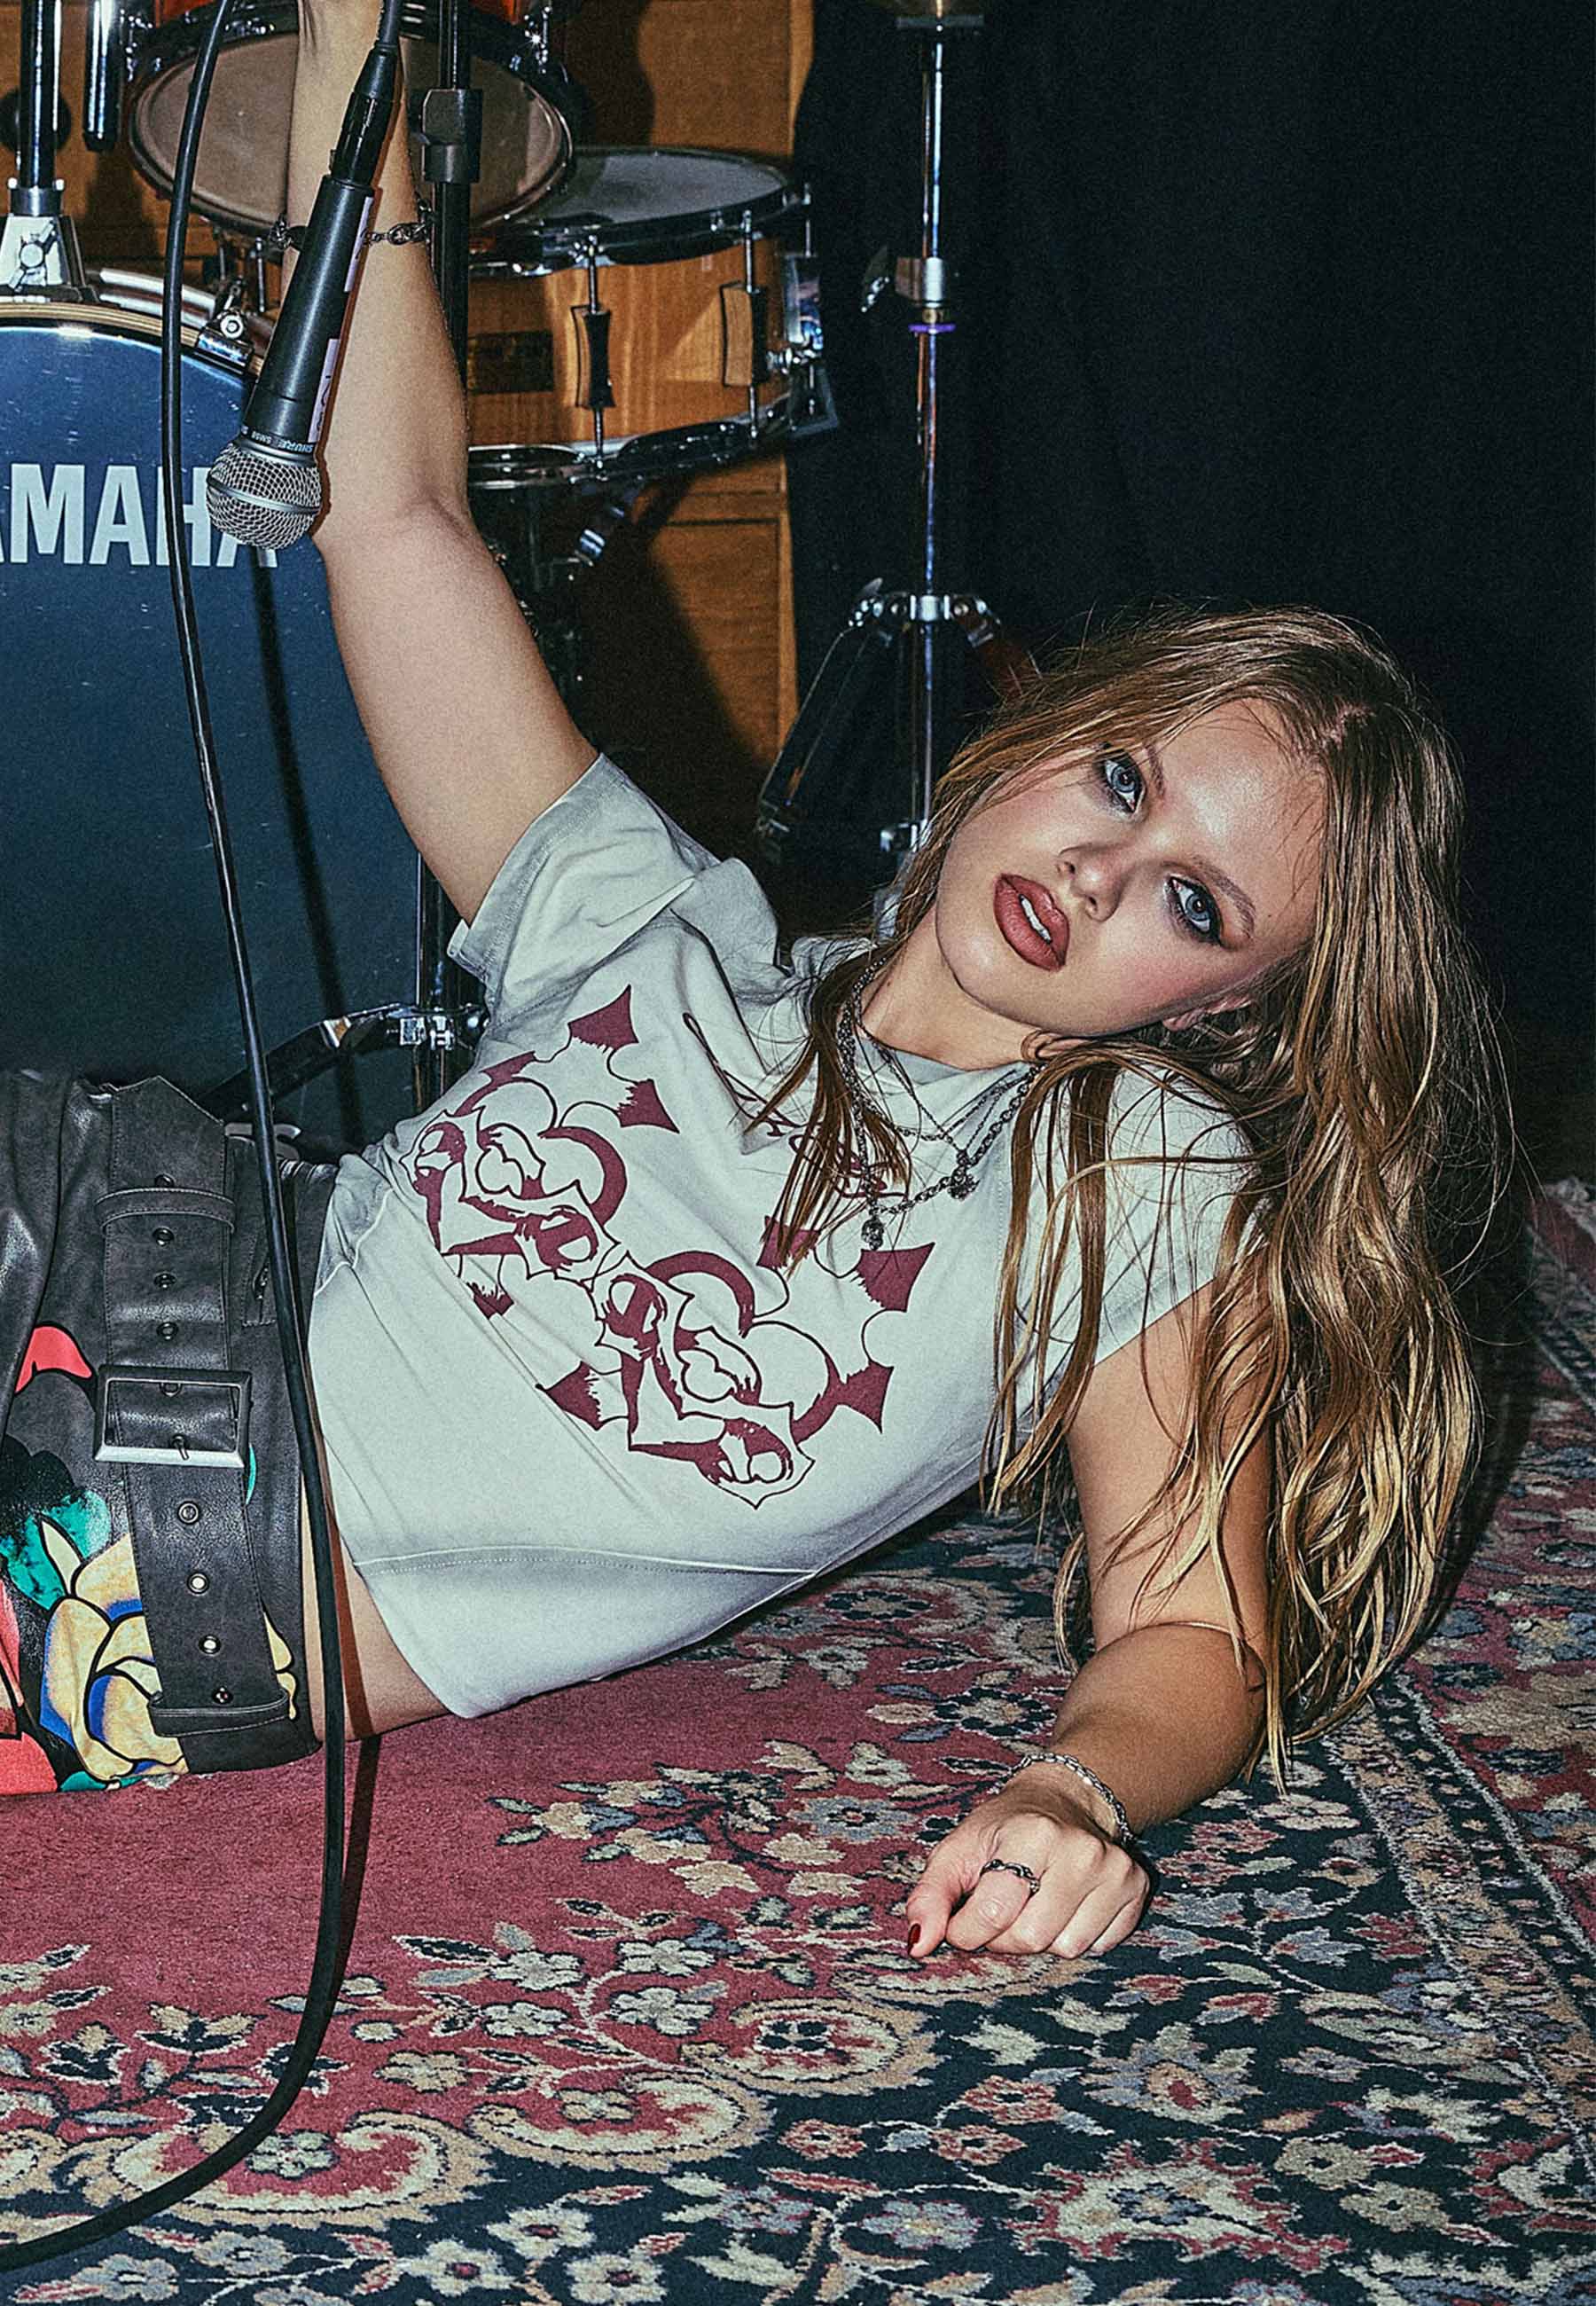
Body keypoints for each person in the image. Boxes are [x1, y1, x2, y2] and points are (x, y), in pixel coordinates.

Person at [0, 0, 1512, 1973]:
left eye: (1193, 902)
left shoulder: (1133, 1174)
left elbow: (1194, 1622)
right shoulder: (646, 916)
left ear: (1220, 1004)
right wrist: (363, 39)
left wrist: (1079, 1787)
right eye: (1124, 784)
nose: (1095, 872)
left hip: (176, 1555)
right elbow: (396, 518)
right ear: (1043, 734)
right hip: (108, 1228)